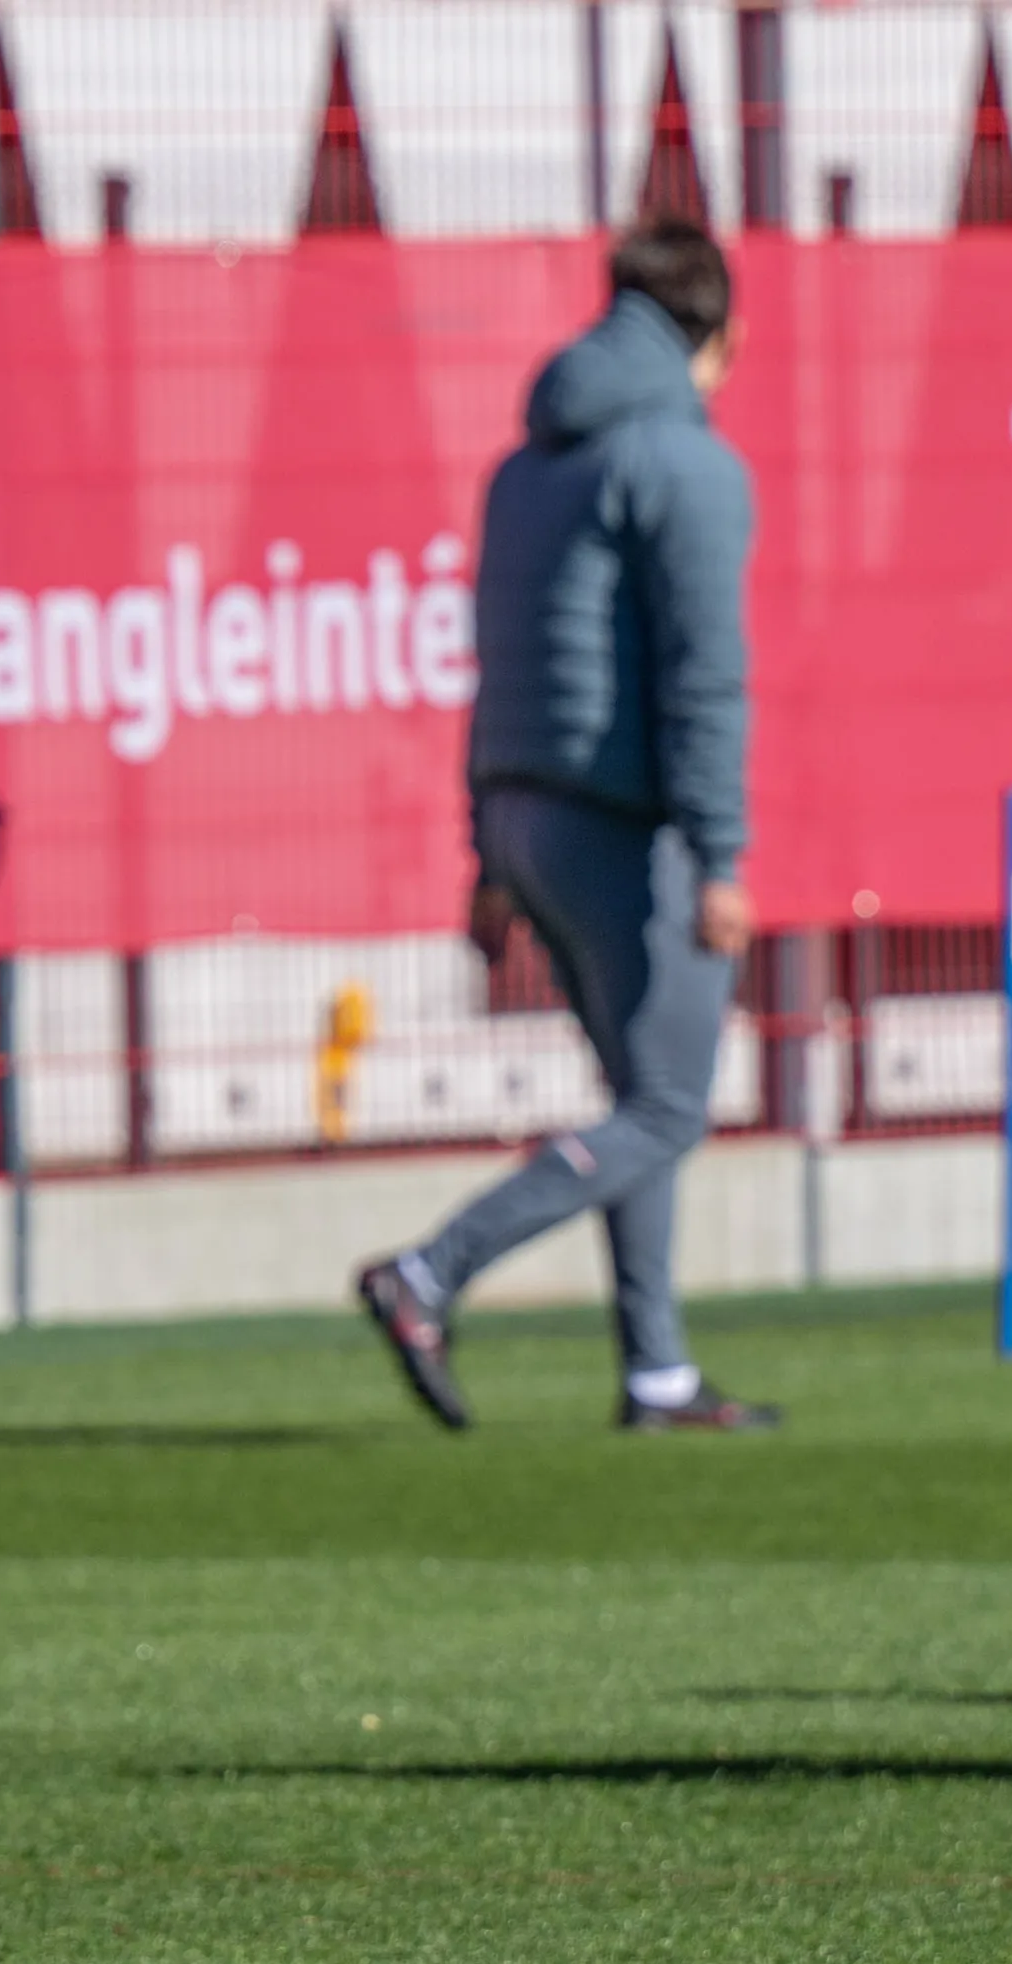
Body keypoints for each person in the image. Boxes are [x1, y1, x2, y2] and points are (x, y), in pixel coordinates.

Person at [358, 217, 782, 1434]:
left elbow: (502, 661)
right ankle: (428, 1274)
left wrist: (488, 851)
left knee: (637, 1102)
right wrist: (720, 855)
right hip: (622, 831)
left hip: (525, 814)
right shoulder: (685, 464)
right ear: (718, 335)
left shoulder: (525, 465)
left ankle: (658, 1375)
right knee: (668, 1109)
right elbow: (706, 679)